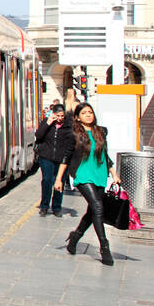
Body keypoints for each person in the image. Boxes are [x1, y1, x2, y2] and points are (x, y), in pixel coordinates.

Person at [53, 102, 121, 266]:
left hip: (99, 174)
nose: (88, 115)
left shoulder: (101, 131)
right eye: (84, 113)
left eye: (90, 112)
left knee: (93, 211)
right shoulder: (73, 134)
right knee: (98, 207)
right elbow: (66, 157)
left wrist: (114, 174)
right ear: (77, 117)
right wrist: (58, 179)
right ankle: (104, 247)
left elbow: (105, 154)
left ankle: (75, 237)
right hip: (83, 175)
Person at [34, 101, 70, 217]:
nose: (60, 118)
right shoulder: (47, 122)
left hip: (61, 159)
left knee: (59, 183)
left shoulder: (68, 126)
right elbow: (38, 135)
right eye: (57, 116)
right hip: (46, 157)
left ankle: (56, 207)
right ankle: (44, 206)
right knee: (47, 180)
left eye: (62, 116)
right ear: (53, 114)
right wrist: (48, 122)